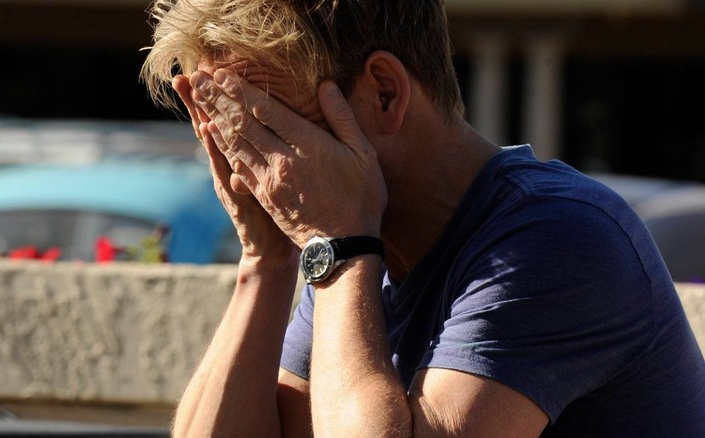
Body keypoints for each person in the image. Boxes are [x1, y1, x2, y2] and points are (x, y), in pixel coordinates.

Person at [142, 1, 705, 436]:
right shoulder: (357, 234)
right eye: (230, 125)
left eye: (270, 122)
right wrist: (266, 258)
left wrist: (334, 244)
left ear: (384, 93)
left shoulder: (558, 238)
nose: (254, 162)